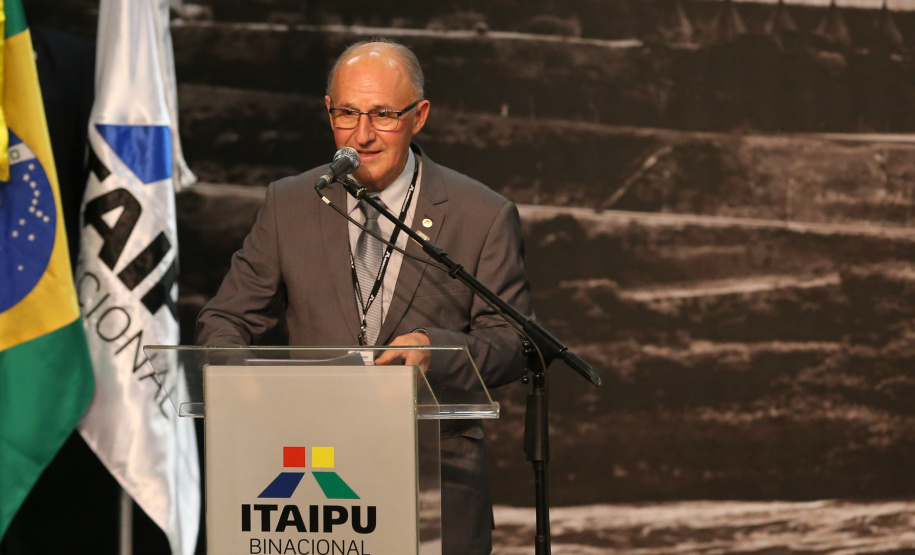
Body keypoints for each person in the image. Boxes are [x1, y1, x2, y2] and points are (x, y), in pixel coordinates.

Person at [196, 38, 532, 554]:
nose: (363, 136)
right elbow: (225, 320)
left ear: (419, 116)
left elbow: (513, 342)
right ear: (328, 111)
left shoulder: (481, 214)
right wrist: (243, 384)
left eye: (383, 115)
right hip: (313, 484)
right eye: (347, 114)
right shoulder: (290, 204)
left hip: (433, 487)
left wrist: (434, 349)